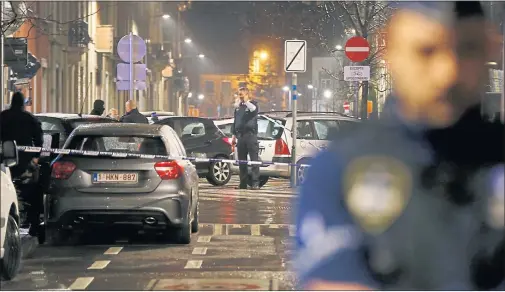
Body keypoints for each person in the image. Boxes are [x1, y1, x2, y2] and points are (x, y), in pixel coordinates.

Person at [294, 1, 504, 290]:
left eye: (466, 50)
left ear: (490, 49)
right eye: (426, 51)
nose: (447, 73)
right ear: (390, 50)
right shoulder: (341, 168)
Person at [0, 92, 43, 236]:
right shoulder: (29, 118)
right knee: (35, 192)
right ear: (23, 103)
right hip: (25, 162)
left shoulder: (3, 117)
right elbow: (39, 139)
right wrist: (36, 157)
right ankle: (34, 224)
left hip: (5, 160)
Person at [231, 87, 260, 190]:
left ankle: (255, 183)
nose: (240, 96)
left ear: (247, 94)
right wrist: (233, 137)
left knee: (254, 161)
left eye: (242, 94)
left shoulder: (253, 104)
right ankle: (243, 183)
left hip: (250, 136)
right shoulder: (238, 108)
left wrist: (245, 101)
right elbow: (235, 122)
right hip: (240, 136)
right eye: (239, 94)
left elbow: (253, 109)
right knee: (242, 162)